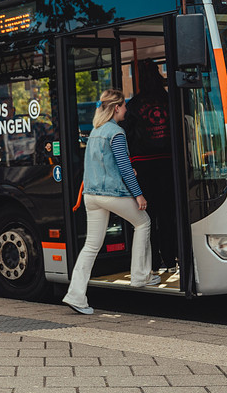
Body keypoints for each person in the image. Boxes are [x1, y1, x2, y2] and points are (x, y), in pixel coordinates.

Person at [62, 89, 160, 315]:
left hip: (91, 196)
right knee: (143, 222)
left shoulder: (95, 132)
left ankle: (76, 295)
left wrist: (125, 171)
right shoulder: (116, 132)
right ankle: (140, 276)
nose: (126, 109)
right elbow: (124, 166)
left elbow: (105, 165)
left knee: (91, 246)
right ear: (116, 108)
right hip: (111, 194)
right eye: (124, 106)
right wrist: (138, 194)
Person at [125, 62, 177, 273]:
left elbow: (128, 137)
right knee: (168, 215)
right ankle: (171, 259)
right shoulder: (169, 99)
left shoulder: (134, 105)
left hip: (144, 167)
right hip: (168, 163)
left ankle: (154, 263)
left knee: (148, 216)